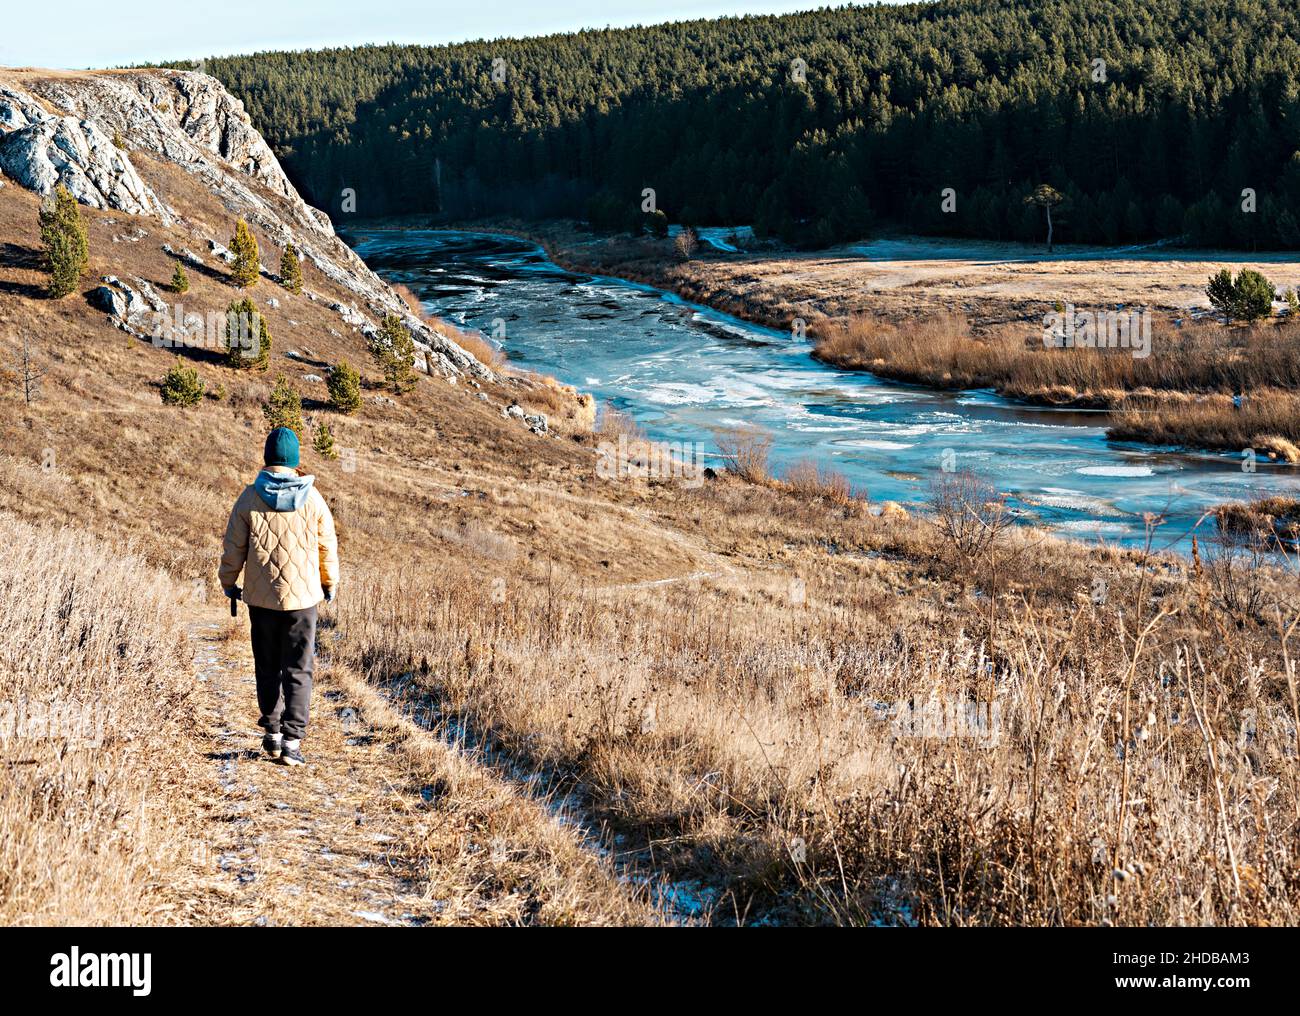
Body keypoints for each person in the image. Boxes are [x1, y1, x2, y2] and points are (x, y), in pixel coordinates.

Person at [219, 427, 338, 766]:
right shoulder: (314, 500)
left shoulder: (248, 498)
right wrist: (328, 584)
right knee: (299, 668)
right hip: (302, 601)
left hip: (261, 599)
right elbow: (326, 547)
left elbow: (233, 548)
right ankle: (292, 742)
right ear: (296, 461)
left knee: (267, 666)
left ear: (267, 458)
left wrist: (229, 582)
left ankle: (271, 734)